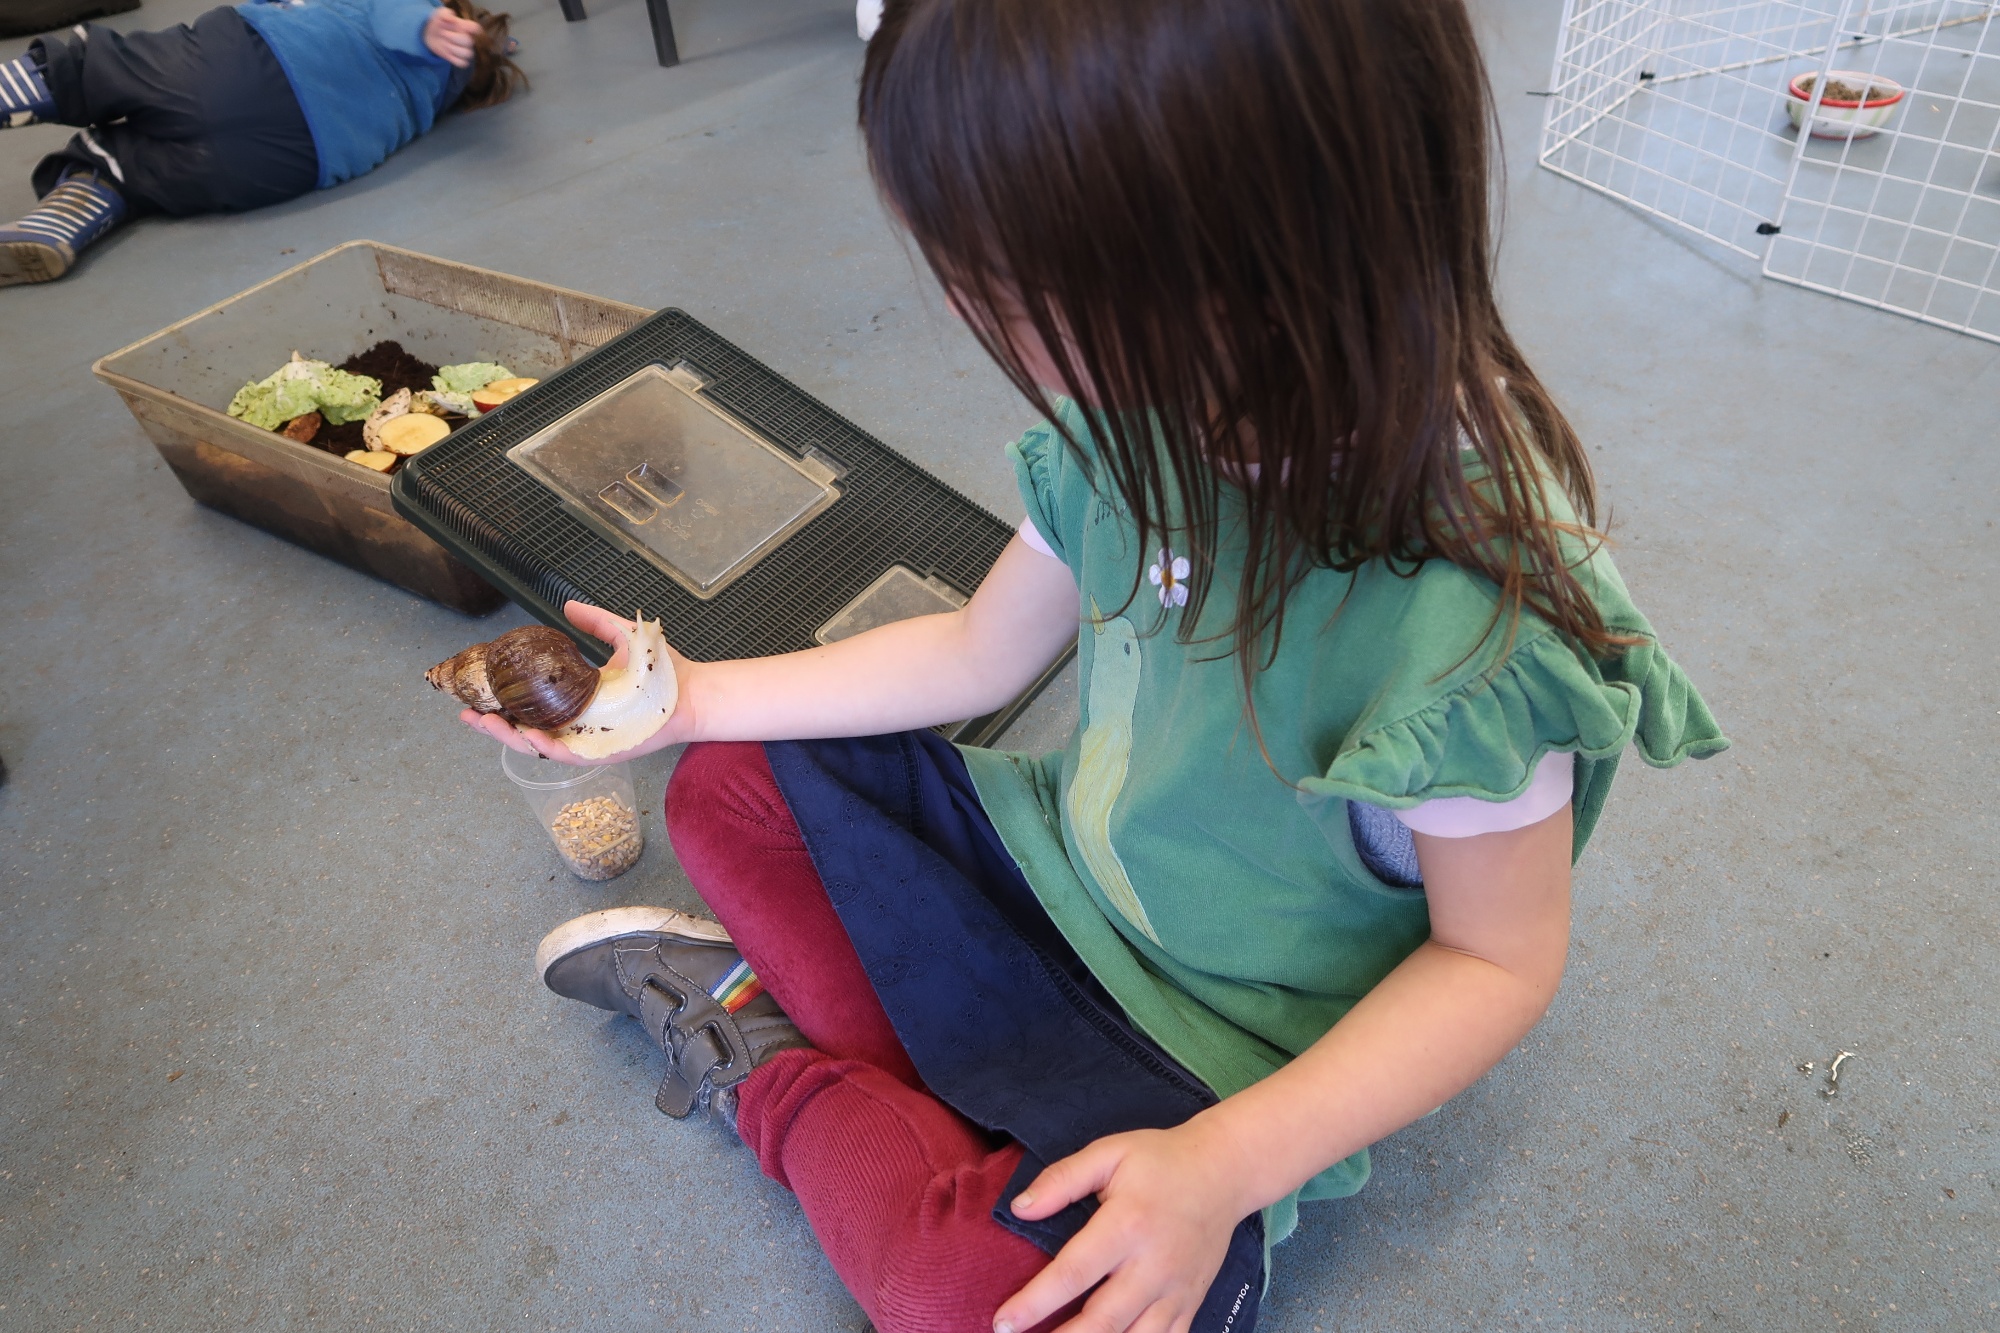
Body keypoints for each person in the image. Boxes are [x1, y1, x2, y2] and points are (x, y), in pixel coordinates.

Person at [471, 1, 1729, 1330]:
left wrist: (1222, 1167)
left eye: (1007, 285)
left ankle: (777, 1066)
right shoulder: (1140, 412)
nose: (958, 307)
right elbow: (977, 650)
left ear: (1235, 263)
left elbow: (1494, 962)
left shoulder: (1477, 616)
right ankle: (938, 1113)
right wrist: (694, 697)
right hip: (1053, 871)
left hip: (1216, 1049)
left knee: (977, 1299)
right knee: (731, 785)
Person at [0, 0, 523, 286]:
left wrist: (423, 22)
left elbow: (396, 12)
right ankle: (64, 218)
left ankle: (17, 90)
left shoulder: (417, 16)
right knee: (130, 169)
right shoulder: (426, 102)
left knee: (96, 66)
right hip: (282, 165)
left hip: (254, 67)